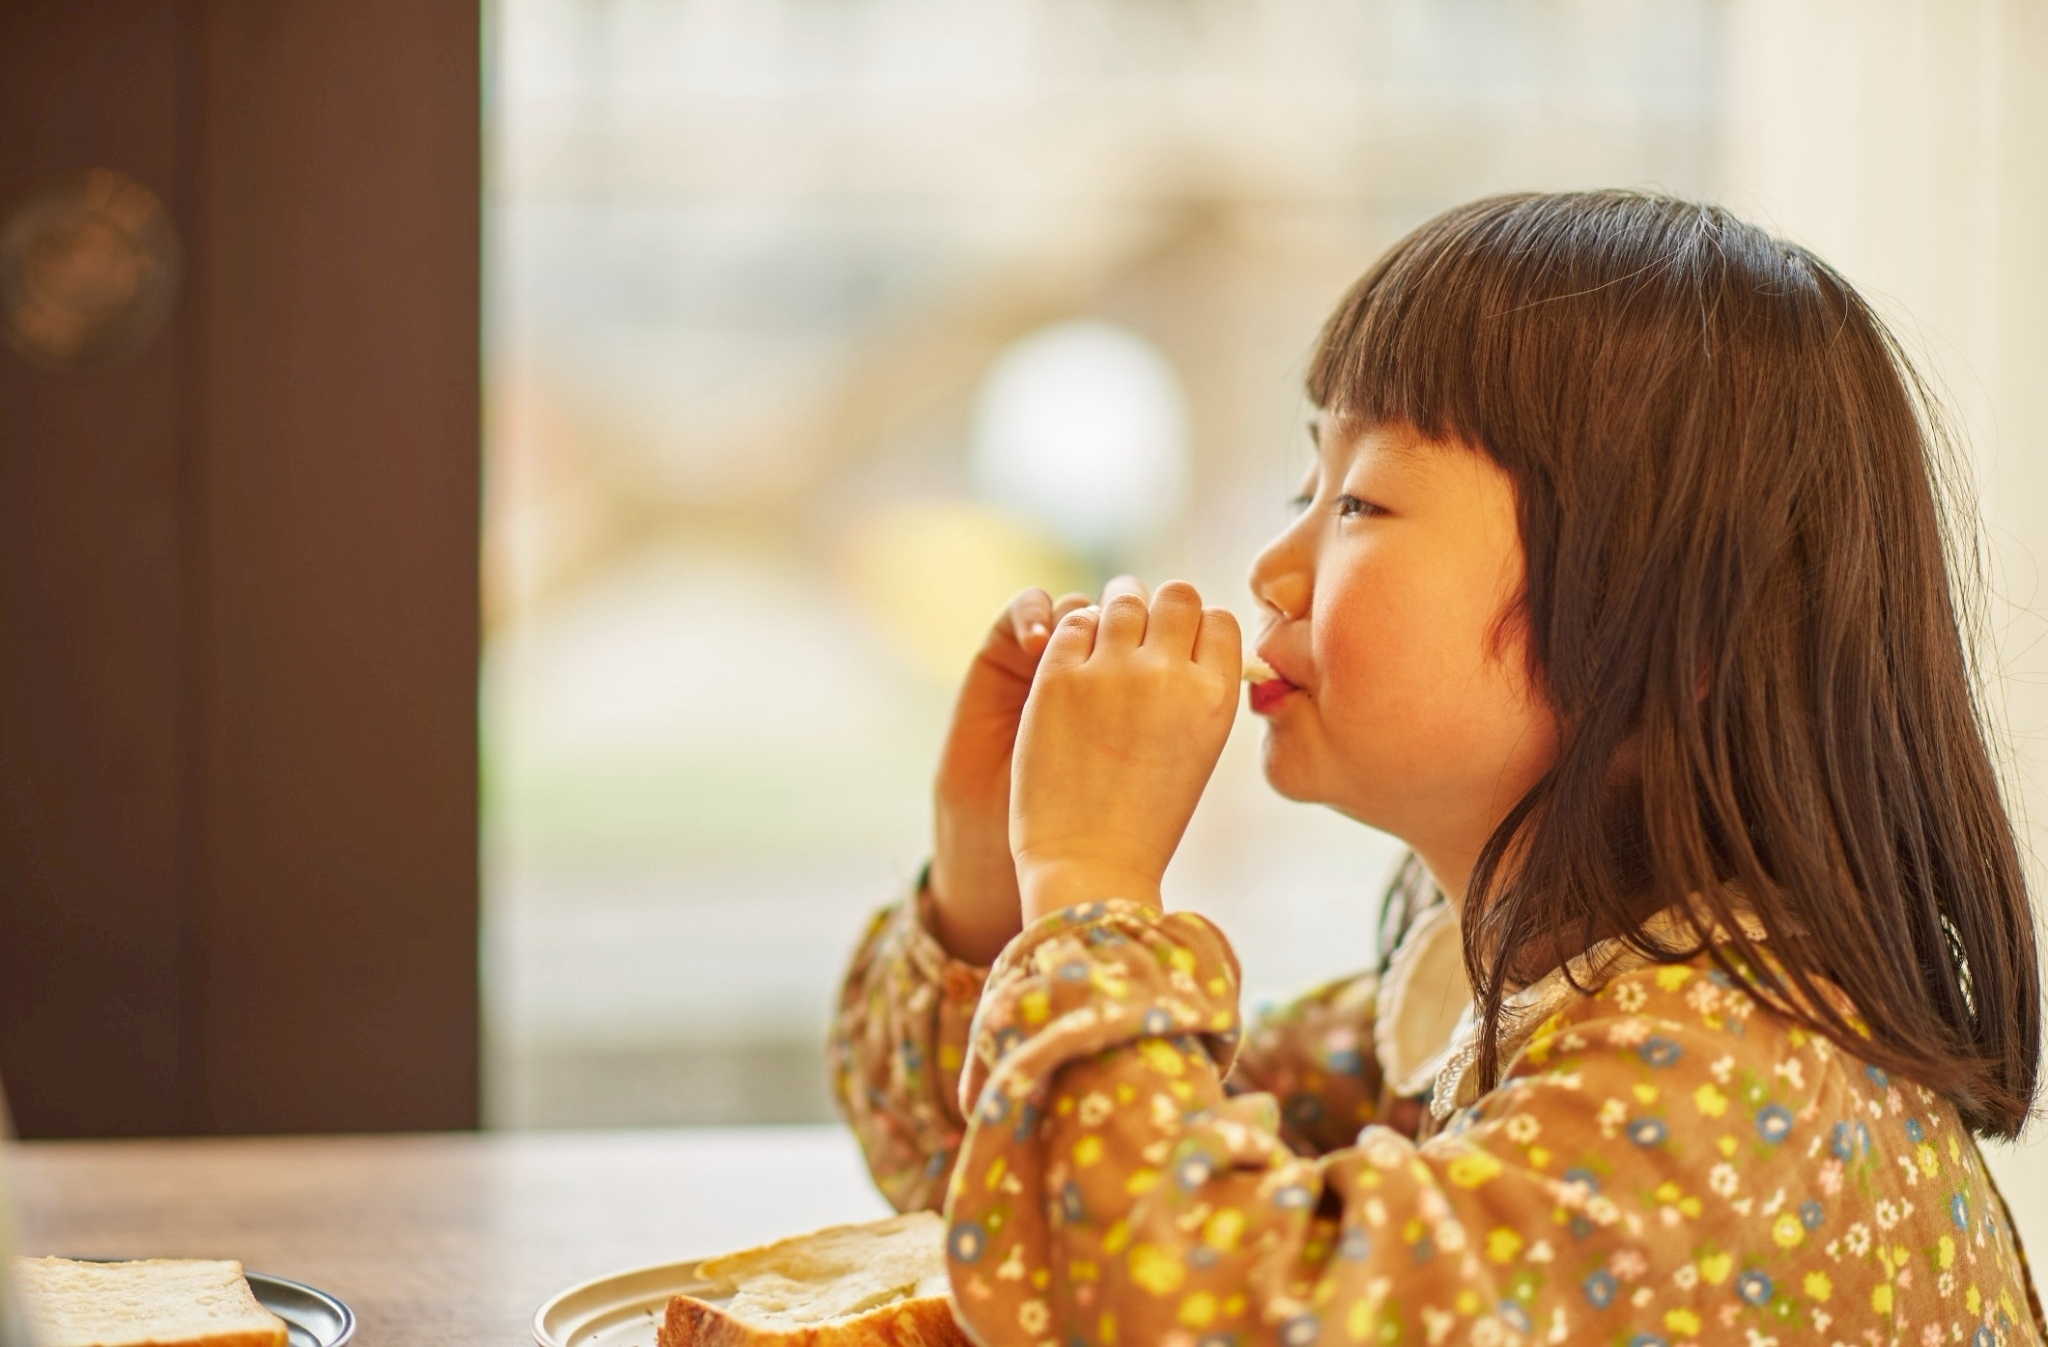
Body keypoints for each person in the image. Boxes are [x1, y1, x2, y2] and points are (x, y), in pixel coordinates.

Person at [829, 191, 2045, 1346]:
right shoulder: (1482, 995)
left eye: (1356, 503)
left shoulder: (1732, 1080)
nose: (1270, 565)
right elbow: (1005, 1191)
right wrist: (994, 864)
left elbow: (1172, 1307)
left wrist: (1091, 879)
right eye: (1304, 484)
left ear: (1675, 629)